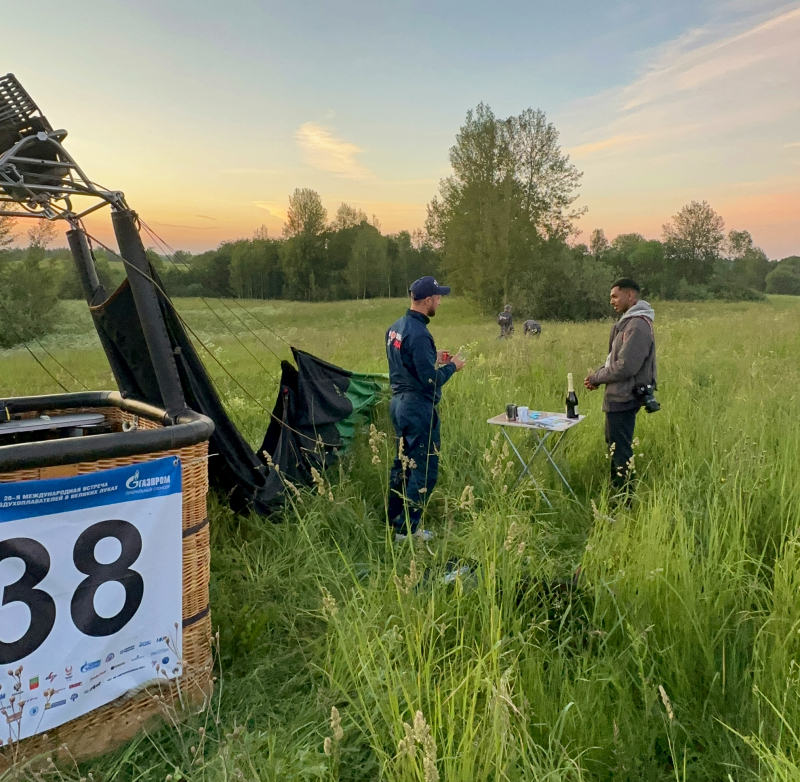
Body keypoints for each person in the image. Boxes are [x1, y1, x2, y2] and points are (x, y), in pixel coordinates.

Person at [386, 276, 466, 541]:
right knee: (424, 470)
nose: (440, 302)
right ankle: (408, 531)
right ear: (428, 300)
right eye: (438, 297)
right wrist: (452, 366)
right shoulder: (419, 333)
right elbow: (430, 383)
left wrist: (434, 358)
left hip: (398, 404)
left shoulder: (396, 328)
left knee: (402, 466)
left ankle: (393, 521)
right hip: (417, 407)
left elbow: (408, 365)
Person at [584, 278, 656, 492]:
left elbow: (626, 367)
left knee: (620, 451)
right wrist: (597, 376)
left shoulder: (637, 325)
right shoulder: (628, 322)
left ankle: (623, 501)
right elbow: (614, 361)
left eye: (615, 296)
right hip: (618, 395)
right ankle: (617, 495)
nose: (612, 301)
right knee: (615, 447)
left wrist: (597, 378)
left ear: (630, 296)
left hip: (624, 397)